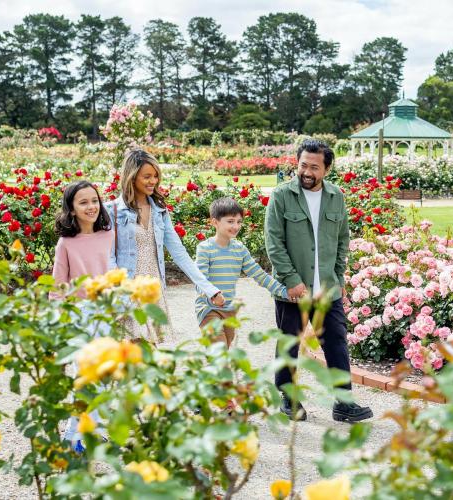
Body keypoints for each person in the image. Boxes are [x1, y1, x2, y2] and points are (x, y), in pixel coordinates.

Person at [265, 138, 373, 423]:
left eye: (314, 167)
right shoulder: (281, 196)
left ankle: (344, 402)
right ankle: (288, 398)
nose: (307, 172)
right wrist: (291, 279)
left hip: (327, 287)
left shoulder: (336, 196)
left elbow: (342, 239)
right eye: (303, 165)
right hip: (293, 290)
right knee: (289, 342)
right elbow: (273, 242)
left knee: (336, 343)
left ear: (326, 169)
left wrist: (337, 276)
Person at [107, 149, 224, 342]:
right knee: (132, 354)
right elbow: (109, 257)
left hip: (153, 290)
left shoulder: (159, 211)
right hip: (127, 291)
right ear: (132, 177)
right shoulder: (112, 211)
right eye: (147, 176)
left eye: (155, 176)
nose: (153, 181)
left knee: (148, 354)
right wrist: (121, 291)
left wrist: (209, 288)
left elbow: (179, 253)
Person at [51, 180, 113, 452]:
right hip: (77, 314)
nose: (91, 207)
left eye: (94, 201)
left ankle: (94, 429)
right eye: (83, 202)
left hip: (104, 312)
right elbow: (57, 286)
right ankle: (74, 435)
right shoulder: (66, 243)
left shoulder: (109, 235)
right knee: (83, 375)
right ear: (72, 209)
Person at [195, 197, 290, 347]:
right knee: (219, 352)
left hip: (229, 310)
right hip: (208, 309)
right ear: (215, 222)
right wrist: (213, 295)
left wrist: (284, 291)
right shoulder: (205, 248)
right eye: (231, 221)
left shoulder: (239, 249)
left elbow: (259, 274)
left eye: (239, 222)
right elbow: (200, 280)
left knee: (224, 352)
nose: (236, 226)